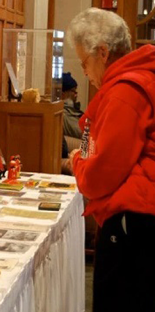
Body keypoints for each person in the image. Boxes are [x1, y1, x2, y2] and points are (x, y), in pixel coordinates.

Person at [67, 8, 155, 312]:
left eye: (84, 62)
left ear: (103, 53)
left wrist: (77, 161)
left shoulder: (124, 92)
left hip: (133, 222)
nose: (85, 72)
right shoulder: (141, 76)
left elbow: (100, 176)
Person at [62, 72, 83, 139]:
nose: (76, 95)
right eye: (73, 91)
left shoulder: (70, 110)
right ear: (63, 94)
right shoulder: (65, 114)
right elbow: (84, 134)